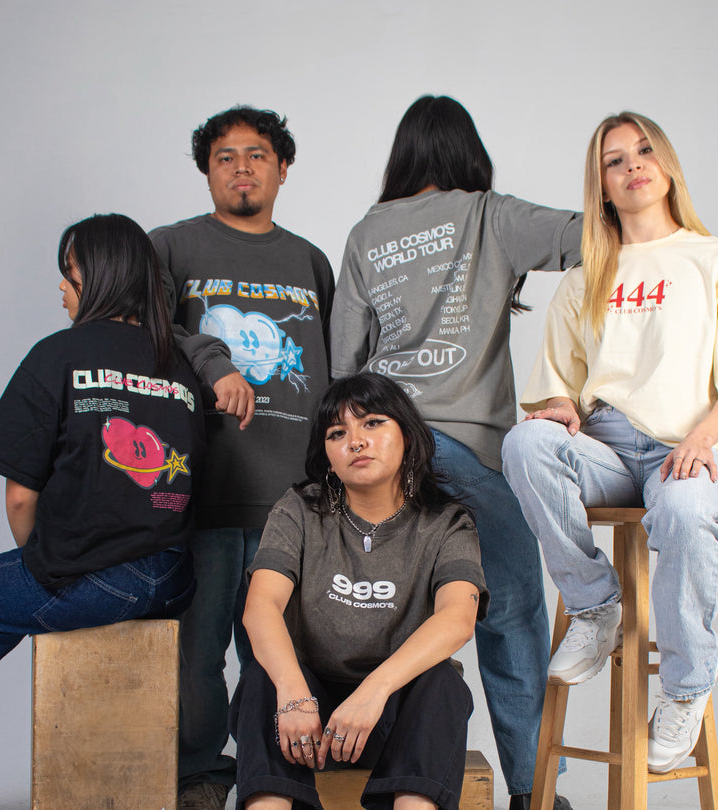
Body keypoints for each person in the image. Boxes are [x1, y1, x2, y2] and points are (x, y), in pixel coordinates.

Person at [502, 111, 718, 775]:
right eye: (615, 160)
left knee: (686, 506)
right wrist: (560, 409)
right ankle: (597, 606)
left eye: (645, 151)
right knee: (524, 444)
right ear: (601, 185)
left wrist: (703, 438)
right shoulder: (585, 277)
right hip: (604, 444)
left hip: (690, 442)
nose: (633, 165)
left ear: (667, 166)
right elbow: (559, 388)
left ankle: (685, 688)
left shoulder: (715, 259)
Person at [329, 95, 581, 810]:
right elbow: (591, 237)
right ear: (469, 154)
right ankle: (536, 796)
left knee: (388, 617)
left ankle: (390, 781)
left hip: (384, 450)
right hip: (468, 452)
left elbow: (344, 366)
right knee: (512, 617)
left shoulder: (368, 232)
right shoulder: (488, 215)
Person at [149, 106, 334, 808]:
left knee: (278, 655)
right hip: (201, 488)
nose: (241, 168)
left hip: (294, 498)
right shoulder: (171, 247)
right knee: (197, 654)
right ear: (207, 172)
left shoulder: (309, 260)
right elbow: (145, 328)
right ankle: (200, 777)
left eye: (256, 154)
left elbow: (335, 370)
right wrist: (215, 360)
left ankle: (272, 781)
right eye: (224, 157)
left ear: (283, 169)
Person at [229, 372, 488, 810]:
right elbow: (261, 606)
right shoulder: (299, 509)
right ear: (328, 457)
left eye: (372, 423)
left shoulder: (447, 523)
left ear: (407, 436)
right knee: (261, 678)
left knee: (443, 683)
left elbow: (457, 619)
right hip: (304, 719)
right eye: (337, 432)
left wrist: (373, 692)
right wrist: (294, 694)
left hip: (395, 719)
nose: (355, 441)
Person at [0, 213, 204, 673]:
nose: (61, 286)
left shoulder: (57, 354)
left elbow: (20, 497)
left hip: (100, 580)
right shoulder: (179, 366)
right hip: (174, 578)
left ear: (100, 275)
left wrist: (42, 567)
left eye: (69, 272)